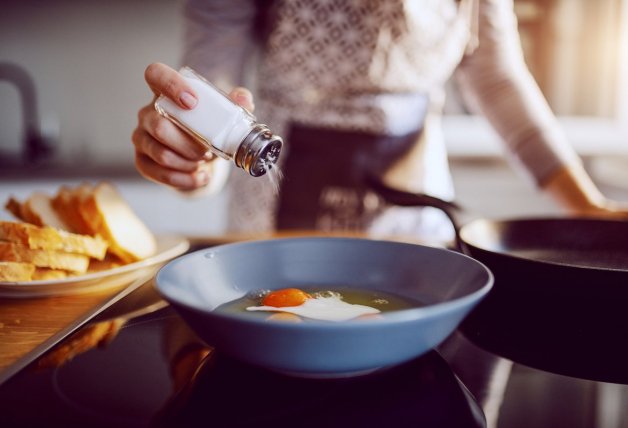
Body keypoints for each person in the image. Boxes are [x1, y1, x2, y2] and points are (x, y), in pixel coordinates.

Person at [132, 0, 628, 425]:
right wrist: (195, 158)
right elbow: (214, 71)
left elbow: (496, 74)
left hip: (415, 224)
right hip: (275, 199)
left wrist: (585, 205)